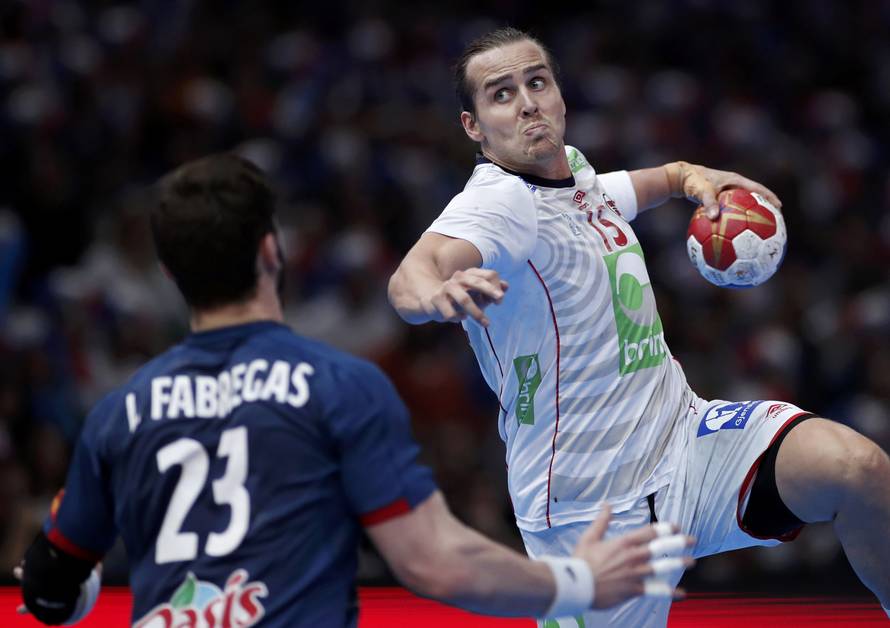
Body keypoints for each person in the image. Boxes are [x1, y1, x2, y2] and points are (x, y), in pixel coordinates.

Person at [16, 154, 695, 627]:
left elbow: (49, 588)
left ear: (169, 273)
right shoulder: (337, 386)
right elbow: (435, 563)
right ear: (272, 252)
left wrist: (73, 592)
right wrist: (580, 581)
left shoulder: (120, 412)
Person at [387, 26, 890, 626]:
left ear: (560, 96)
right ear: (474, 126)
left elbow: (623, 191)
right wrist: (432, 292)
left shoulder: (573, 173)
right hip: (591, 508)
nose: (526, 103)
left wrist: (685, 176)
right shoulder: (500, 205)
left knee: (856, 470)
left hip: (687, 444)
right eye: (502, 94)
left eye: (537, 83)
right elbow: (413, 274)